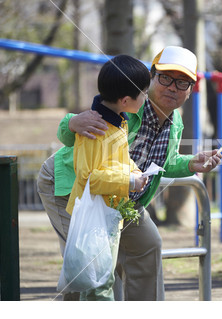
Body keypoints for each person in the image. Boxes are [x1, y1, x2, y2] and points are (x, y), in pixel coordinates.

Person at [37, 46, 222, 301]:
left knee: (148, 244)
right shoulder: (128, 101)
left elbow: (163, 162)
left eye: (182, 83)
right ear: (151, 77)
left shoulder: (174, 122)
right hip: (74, 187)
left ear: (190, 91)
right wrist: (71, 122)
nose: (172, 88)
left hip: (120, 196)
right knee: (92, 263)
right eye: (165, 78)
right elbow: (71, 134)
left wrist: (192, 164)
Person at [66, 54, 149, 300]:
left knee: (100, 280)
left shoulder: (118, 122)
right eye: (144, 93)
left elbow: (117, 161)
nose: (146, 97)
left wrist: (133, 170)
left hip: (108, 213)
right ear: (125, 100)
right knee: (99, 283)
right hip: (94, 217)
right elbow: (91, 177)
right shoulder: (96, 128)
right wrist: (129, 181)